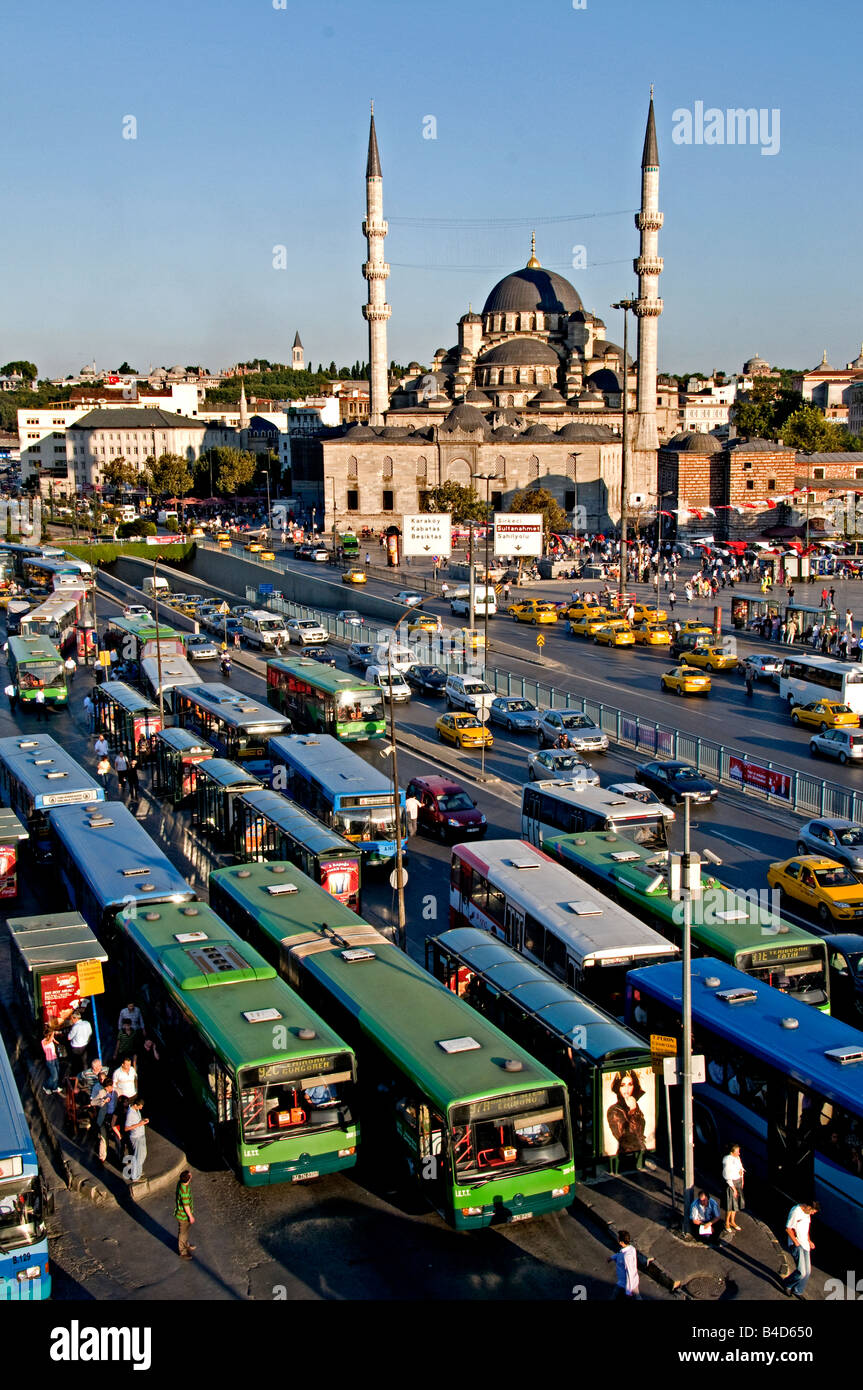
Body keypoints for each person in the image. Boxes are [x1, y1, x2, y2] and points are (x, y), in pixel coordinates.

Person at [606, 1070, 647, 1170]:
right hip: (624, 1160)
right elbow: (626, 1137)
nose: (627, 1089)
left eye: (630, 1084)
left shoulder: (633, 1105)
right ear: (617, 1087)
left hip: (639, 1155)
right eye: (623, 1085)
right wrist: (633, 1112)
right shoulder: (614, 1110)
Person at [782, 1201, 819, 1297]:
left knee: (808, 1272)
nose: (813, 1213)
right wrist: (795, 1242)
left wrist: (809, 1241)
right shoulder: (796, 1211)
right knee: (801, 1272)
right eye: (813, 1211)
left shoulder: (807, 1214)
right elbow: (788, 1228)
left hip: (805, 1244)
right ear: (808, 1207)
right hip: (797, 1244)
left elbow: (806, 1230)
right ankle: (787, 1284)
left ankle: (798, 1291)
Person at [608, 1229, 640, 1299]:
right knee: (637, 1297)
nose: (617, 1239)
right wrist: (612, 1257)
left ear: (621, 1242)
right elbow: (620, 1254)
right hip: (633, 1281)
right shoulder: (631, 1248)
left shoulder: (627, 1256)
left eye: (618, 1238)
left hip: (624, 1283)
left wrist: (628, 1291)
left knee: (614, 1296)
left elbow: (630, 1273)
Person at [124, 1099, 149, 1181]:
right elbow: (126, 1128)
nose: (141, 1108)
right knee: (138, 1157)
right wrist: (140, 1124)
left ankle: (138, 1171)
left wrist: (143, 1120)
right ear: (135, 1105)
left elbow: (137, 1120)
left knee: (142, 1155)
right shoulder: (130, 1113)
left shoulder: (136, 1110)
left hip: (141, 1135)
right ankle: (135, 1176)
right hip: (136, 1137)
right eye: (140, 1106)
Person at [723, 1144, 745, 1232]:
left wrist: (742, 1180)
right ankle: (727, 1222)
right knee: (730, 1205)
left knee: (736, 1204)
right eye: (737, 1152)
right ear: (732, 1152)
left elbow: (741, 1169)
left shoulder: (737, 1158)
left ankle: (732, 1221)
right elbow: (727, 1177)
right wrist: (734, 1189)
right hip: (732, 1184)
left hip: (738, 1181)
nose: (739, 1153)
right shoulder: (728, 1161)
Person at [175, 1169, 197, 1259]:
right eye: (190, 1175)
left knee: (185, 1231)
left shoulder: (181, 1183)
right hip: (183, 1216)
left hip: (184, 1215)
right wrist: (190, 1217)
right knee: (182, 1233)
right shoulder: (184, 1192)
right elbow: (186, 1206)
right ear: (188, 1179)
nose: (191, 1175)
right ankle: (183, 1252)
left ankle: (186, 1244)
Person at [41, 1027, 62, 1094]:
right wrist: (53, 1033)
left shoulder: (51, 1039)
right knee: (54, 1076)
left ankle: (54, 1087)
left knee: (57, 1073)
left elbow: (54, 1041)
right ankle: (46, 1086)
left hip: (55, 1058)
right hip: (50, 1061)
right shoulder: (44, 1041)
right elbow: (49, 1041)